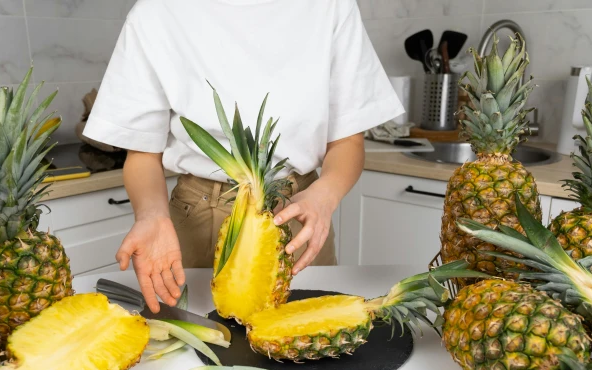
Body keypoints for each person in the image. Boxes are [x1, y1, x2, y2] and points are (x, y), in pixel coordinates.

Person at [84, 0, 403, 313]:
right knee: (196, 349)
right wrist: (151, 214)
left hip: (299, 208)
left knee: (304, 337)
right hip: (199, 213)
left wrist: (325, 195)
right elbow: (142, 155)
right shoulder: (155, 13)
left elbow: (348, 140)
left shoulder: (332, 6)